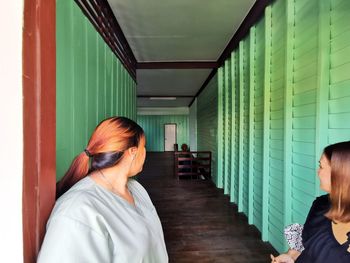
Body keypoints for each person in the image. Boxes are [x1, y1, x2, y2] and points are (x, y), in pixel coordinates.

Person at [37, 117, 168, 263]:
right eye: (144, 147)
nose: (145, 153)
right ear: (132, 151)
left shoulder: (137, 189)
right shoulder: (76, 211)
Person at [271, 141, 350, 263]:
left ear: (341, 173)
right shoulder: (321, 205)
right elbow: (306, 245)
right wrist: (291, 256)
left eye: (322, 166)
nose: (318, 172)